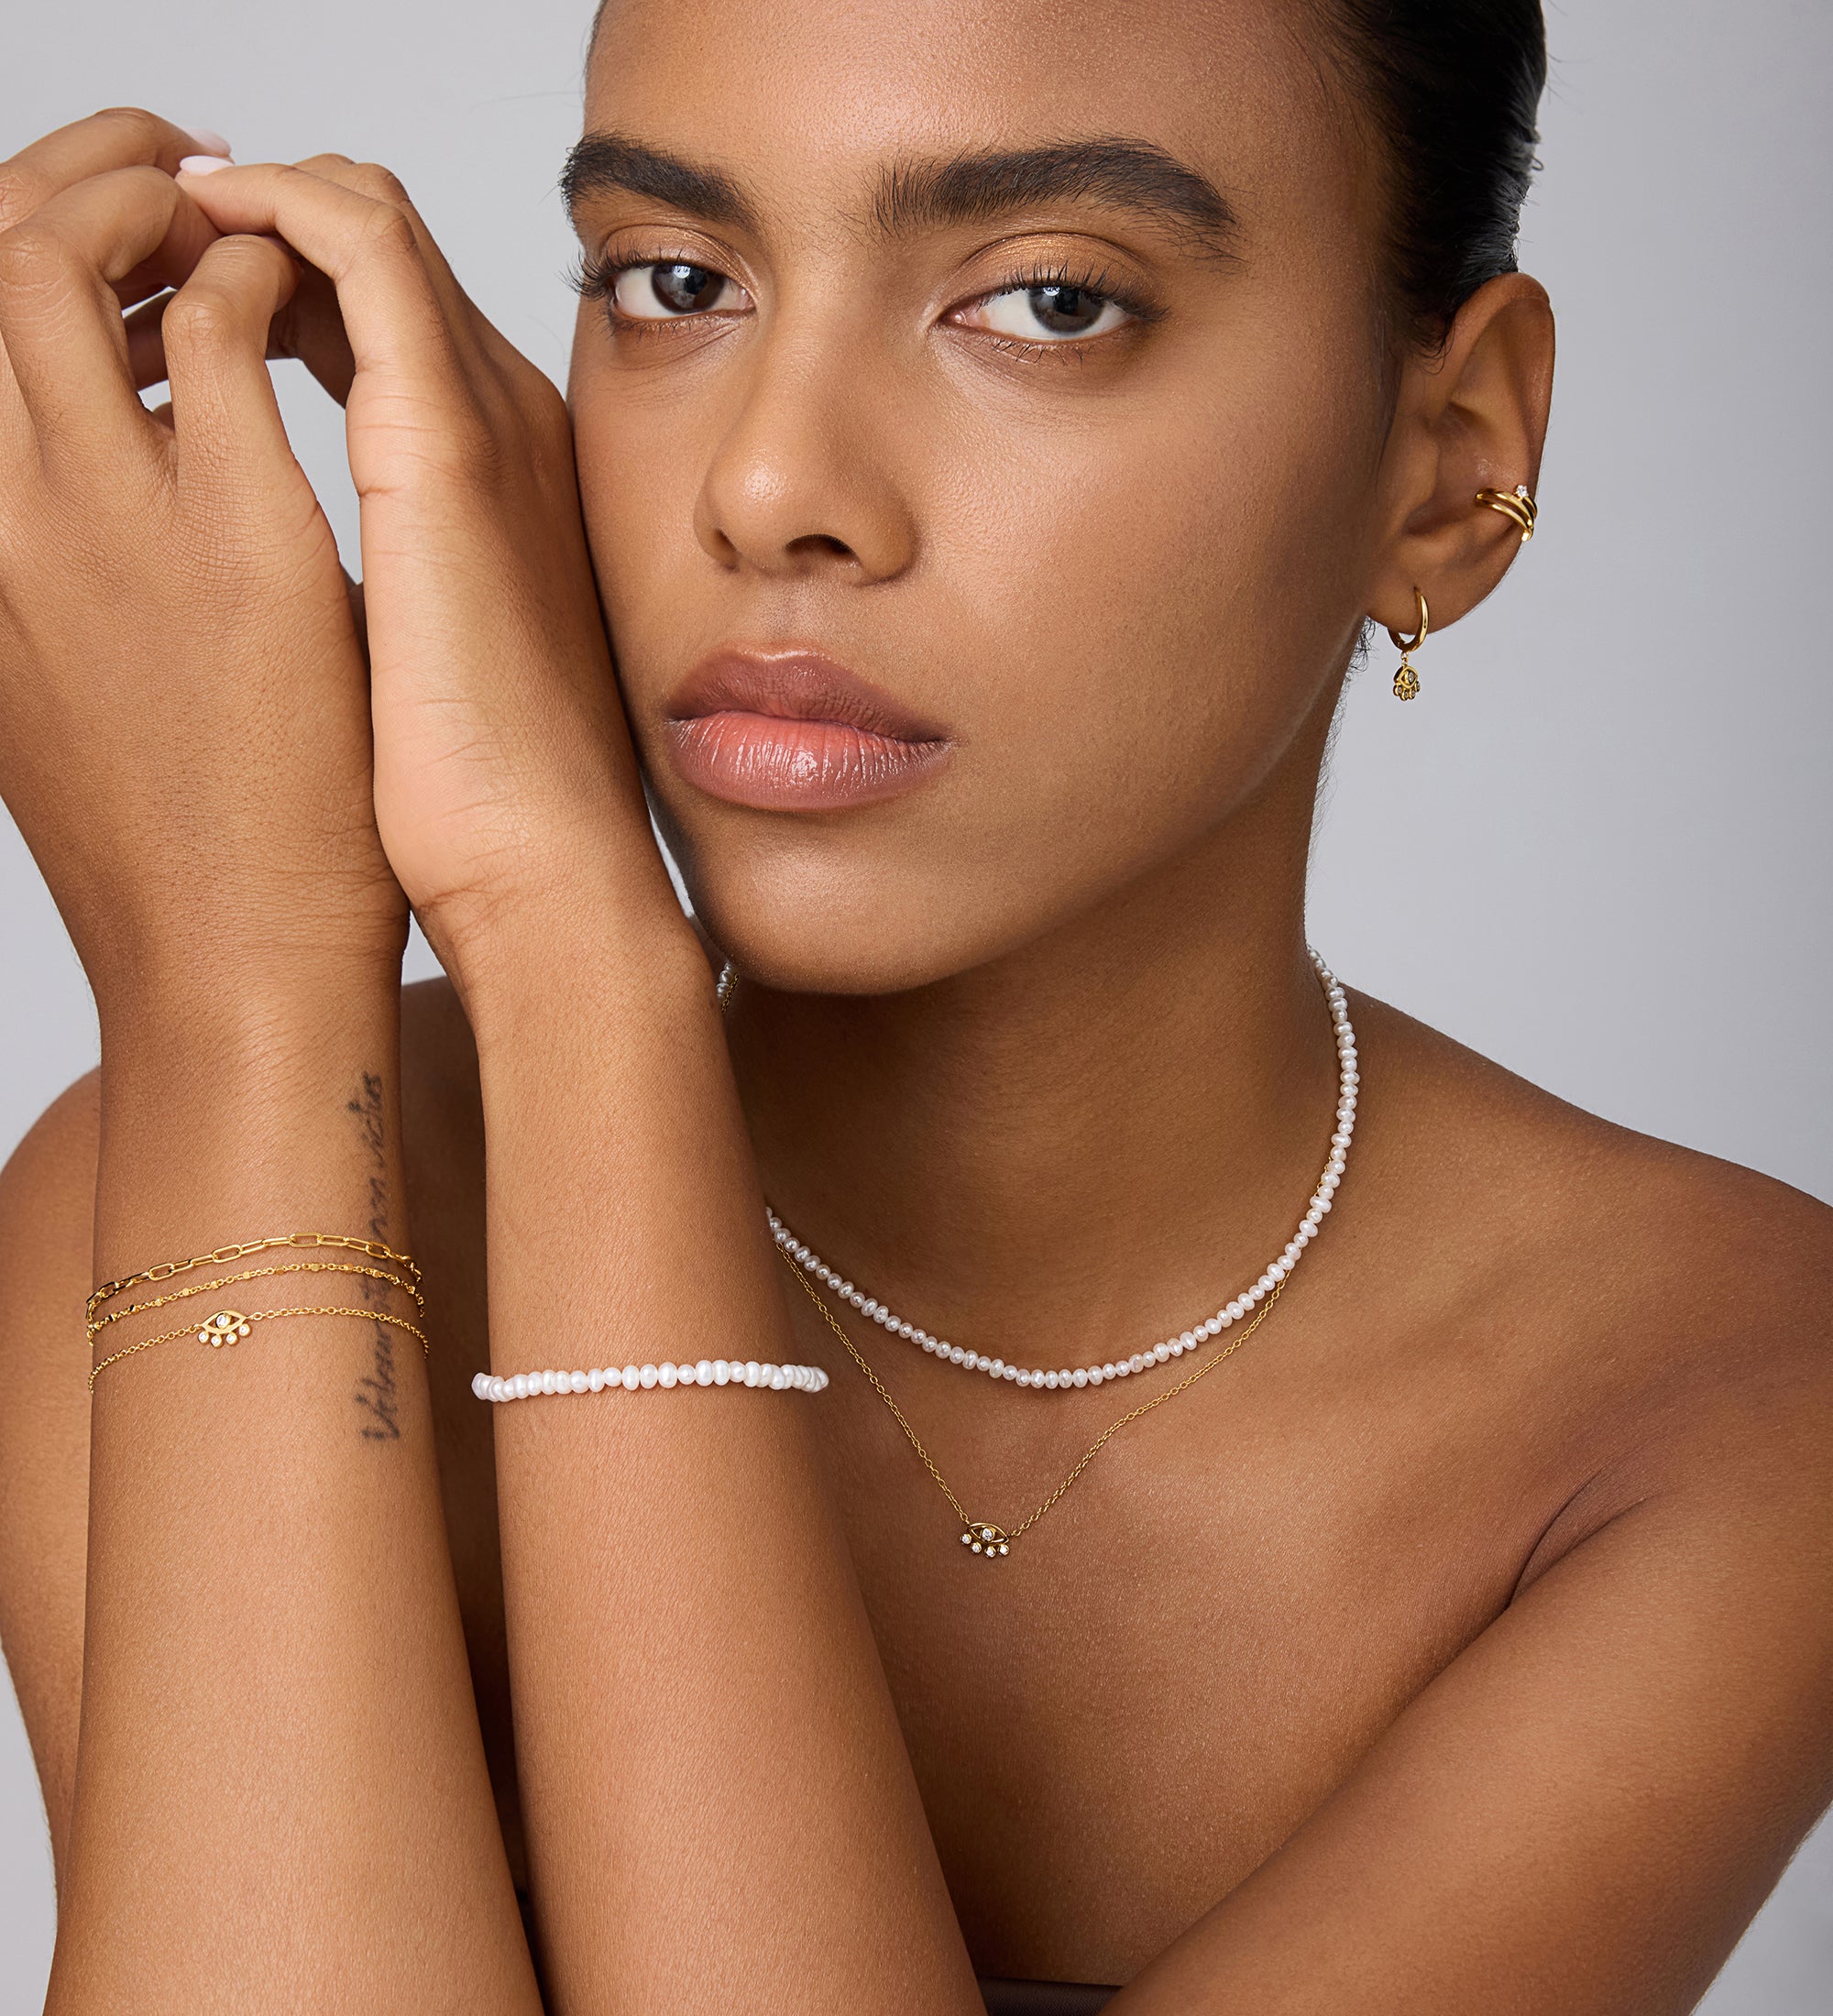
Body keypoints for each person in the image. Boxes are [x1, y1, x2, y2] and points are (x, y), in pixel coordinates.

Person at [0, 0, 1828, 2009]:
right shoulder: (203, 1154)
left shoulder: (1729, 1398)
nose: (773, 484)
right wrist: (245, 1003)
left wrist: (572, 956)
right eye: (674, 281)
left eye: (1048, 301)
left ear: (1449, 464)